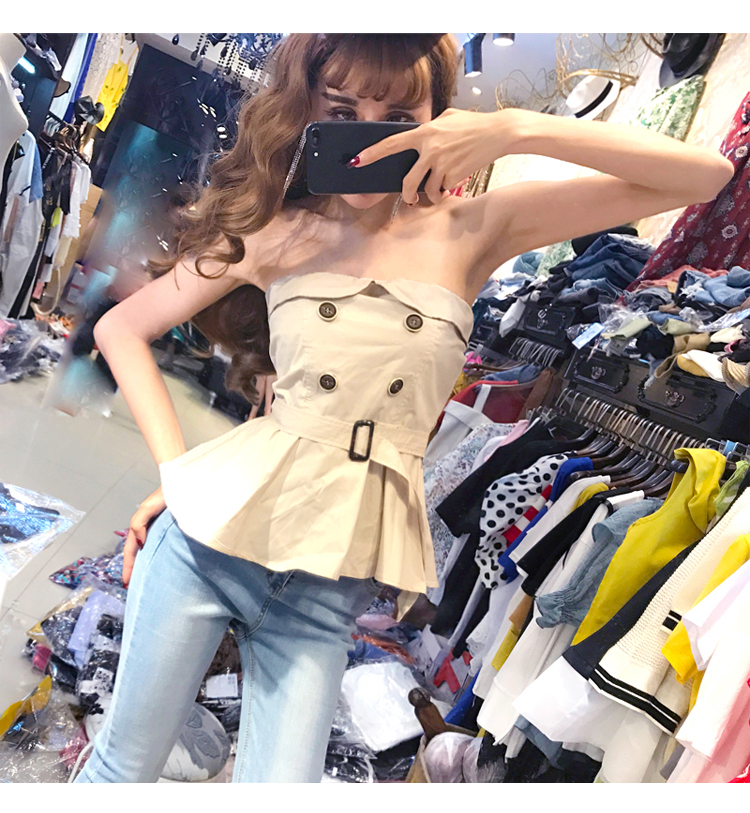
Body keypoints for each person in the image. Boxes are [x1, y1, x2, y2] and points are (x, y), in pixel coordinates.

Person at [74, 34, 732, 783]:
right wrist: (180, 472)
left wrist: (513, 128)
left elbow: (706, 175)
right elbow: (121, 328)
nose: (369, 135)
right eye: (342, 110)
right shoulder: (278, 230)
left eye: (396, 117)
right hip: (205, 552)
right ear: (309, 110)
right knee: (121, 771)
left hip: (324, 592)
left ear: (437, 123)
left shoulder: (474, 228)